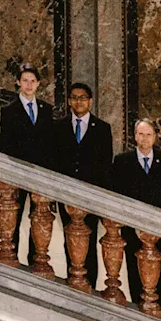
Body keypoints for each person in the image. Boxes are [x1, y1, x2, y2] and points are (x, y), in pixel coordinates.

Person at [110, 119, 161, 307]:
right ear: (135, 136)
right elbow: (116, 196)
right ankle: (138, 312)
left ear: (155, 137)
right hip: (132, 230)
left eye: (148, 134)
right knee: (135, 272)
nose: (145, 138)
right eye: (141, 134)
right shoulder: (122, 161)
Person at [53, 81, 113, 284]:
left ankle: (90, 284)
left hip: (91, 197)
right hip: (66, 196)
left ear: (91, 101)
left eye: (83, 98)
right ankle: (72, 280)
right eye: (75, 98)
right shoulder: (59, 126)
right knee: (68, 239)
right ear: (69, 101)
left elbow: (106, 165)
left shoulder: (103, 129)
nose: (79, 102)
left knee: (90, 238)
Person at [0, 65, 56, 261]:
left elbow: (50, 143)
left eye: (33, 81)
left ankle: (35, 257)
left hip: (39, 175)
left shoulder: (46, 110)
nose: (29, 85)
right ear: (18, 83)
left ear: (38, 84)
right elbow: (6, 143)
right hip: (18, 172)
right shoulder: (9, 111)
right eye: (25, 80)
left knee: (38, 217)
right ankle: (11, 253)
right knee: (13, 213)